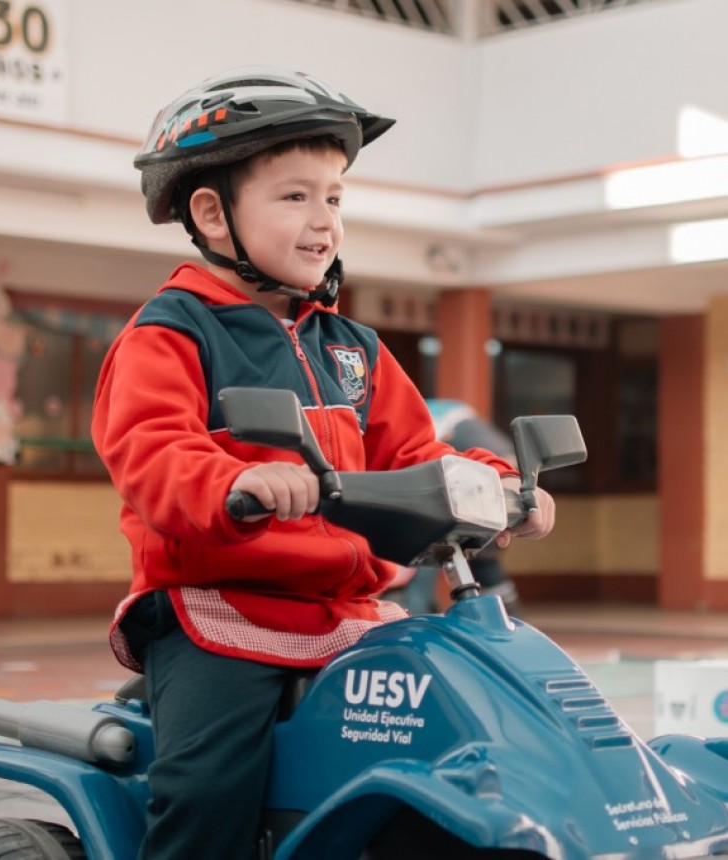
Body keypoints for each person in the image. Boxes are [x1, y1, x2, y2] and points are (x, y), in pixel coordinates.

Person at [91, 66, 555, 860]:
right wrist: (235, 481)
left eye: (334, 198)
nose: (324, 220)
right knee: (207, 787)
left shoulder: (352, 349)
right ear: (212, 212)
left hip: (351, 617)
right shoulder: (171, 334)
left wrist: (497, 482)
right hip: (224, 614)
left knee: (460, 734)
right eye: (295, 196)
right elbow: (152, 452)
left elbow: (417, 450)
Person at [385, 399, 523, 616]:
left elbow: (507, 467)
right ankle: (510, 620)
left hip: (450, 495)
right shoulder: (440, 418)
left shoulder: (449, 424)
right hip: (455, 491)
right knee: (481, 560)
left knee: (473, 559)